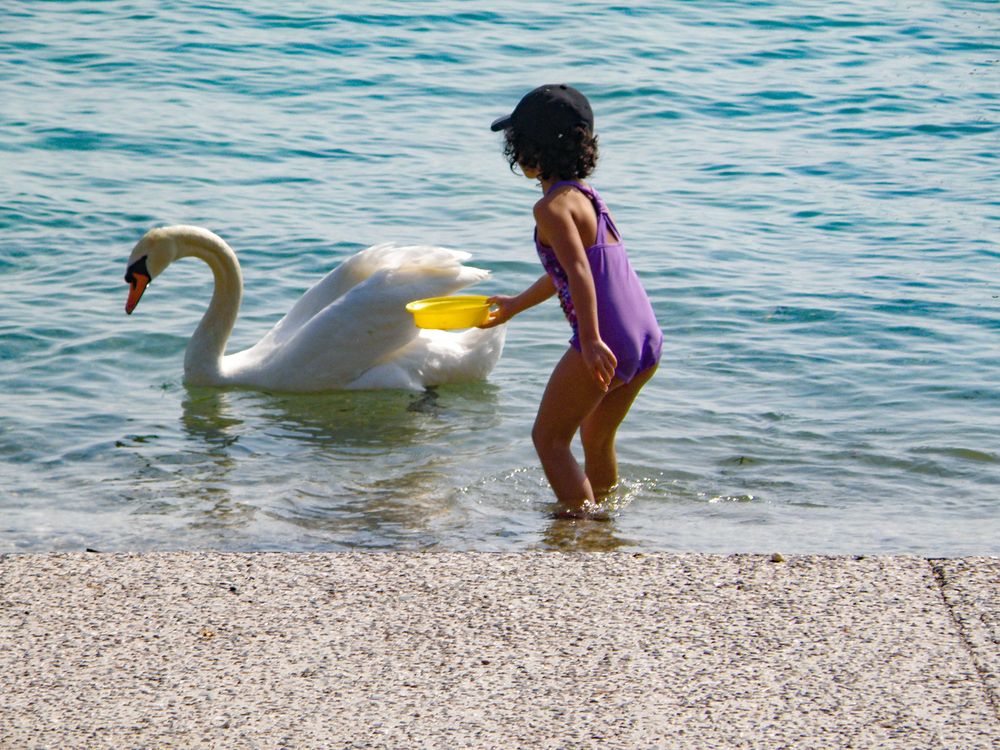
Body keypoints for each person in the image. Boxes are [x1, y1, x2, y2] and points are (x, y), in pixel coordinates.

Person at [482, 84, 663, 519]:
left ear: (531, 150)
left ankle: (582, 526)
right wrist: (515, 305)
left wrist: (592, 340)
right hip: (645, 336)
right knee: (595, 436)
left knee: (548, 439)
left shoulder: (550, 208)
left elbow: (580, 273)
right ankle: (605, 521)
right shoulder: (587, 198)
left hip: (607, 338)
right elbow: (567, 270)